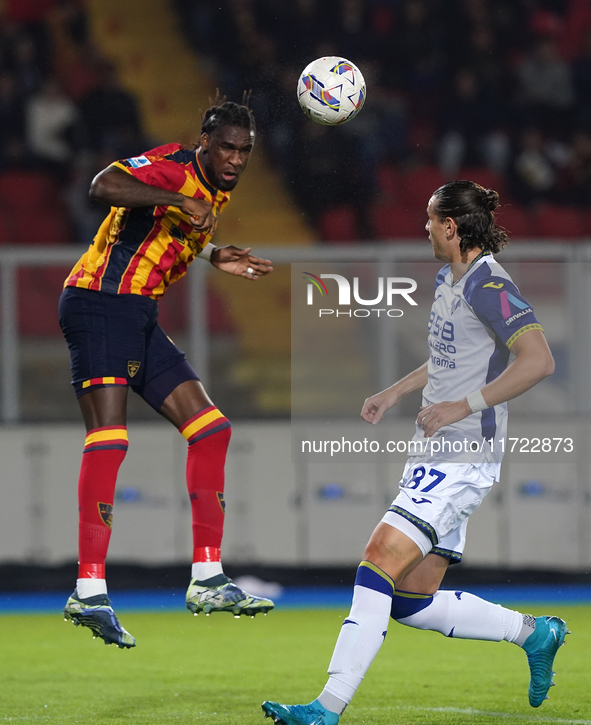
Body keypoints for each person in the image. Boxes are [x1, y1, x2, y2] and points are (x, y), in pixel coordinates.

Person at [262, 180, 568, 724]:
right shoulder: (448, 279)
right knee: (410, 600)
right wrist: (395, 392)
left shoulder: (489, 284)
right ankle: (534, 633)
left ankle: (326, 708)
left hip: (464, 454)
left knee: (377, 561)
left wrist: (462, 407)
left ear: (452, 226)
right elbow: (449, 360)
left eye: (430, 219)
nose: (423, 227)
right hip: (435, 451)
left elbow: (538, 360)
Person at [59, 99, 274, 649]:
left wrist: (213, 254)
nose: (234, 159)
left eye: (244, 150)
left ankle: (207, 578)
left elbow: (173, 231)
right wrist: (176, 196)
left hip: (138, 311)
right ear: (205, 141)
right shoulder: (175, 167)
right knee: (109, 436)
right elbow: (103, 185)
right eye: (226, 146)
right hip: (100, 299)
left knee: (211, 429)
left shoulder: (215, 191)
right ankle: (88, 588)